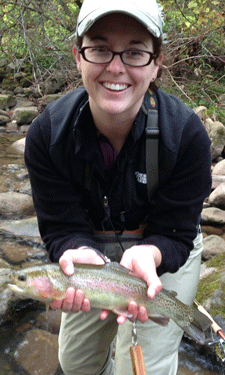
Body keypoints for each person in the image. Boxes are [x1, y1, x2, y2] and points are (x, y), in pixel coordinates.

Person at [24, 0, 212, 374]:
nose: (115, 67)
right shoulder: (47, 135)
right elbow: (61, 228)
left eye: (135, 52)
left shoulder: (186, 135)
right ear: (78, 56)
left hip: (164, 251)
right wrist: (74, 248)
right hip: (91, 259)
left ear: (157, 62)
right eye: (100, 49)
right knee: (75, 364)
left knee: (141, 369)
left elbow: (175, 233)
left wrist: (153, 254)